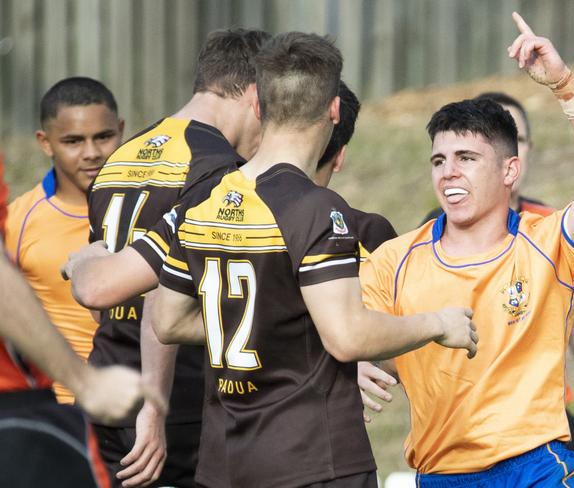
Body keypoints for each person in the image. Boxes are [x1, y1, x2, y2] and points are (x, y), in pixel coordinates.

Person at [153, 32, 478, 487]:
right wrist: (438, 324)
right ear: (334, 110)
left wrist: (277, 323)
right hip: (311, 461)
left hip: (223, 462)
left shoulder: (200, 199)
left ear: (259, 107)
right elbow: (347, 337)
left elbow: (167, 321)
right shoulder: (316, 209)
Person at [359, 12, 574, 486]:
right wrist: (358, 363)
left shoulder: (547, 240)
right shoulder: (394, 260)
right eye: (439, 160)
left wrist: (565, 84)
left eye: (467, 159)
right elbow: (359, 339)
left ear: (510, 171)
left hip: (535, 466)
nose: (449, 172)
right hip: (441, 472)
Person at [62, 29, 270, 488]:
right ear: (256, 95)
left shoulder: (121, 155)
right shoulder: (219, 171)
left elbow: (102, 286)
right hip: (173, 407)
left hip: (104, 387)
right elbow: (164, 288)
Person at [419, 91, 574, 468]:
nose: (513, 152)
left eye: (518, 139)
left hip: (546, 429)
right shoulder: (430, 237)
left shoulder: (548, 227)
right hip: (464, 435)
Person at [0, 153, 164, 487]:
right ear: (44, 143)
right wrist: (86, 383)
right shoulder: (26, 214)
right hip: (26, 407)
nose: (90, 152)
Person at [5, 77, 124, 404]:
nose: (92, 153)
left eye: (103, 137)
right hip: (62, 407)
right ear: (45, 143)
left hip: (137, 400)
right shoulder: (17, 222)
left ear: (122, 130)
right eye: (73, 141)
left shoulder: (150, 210)